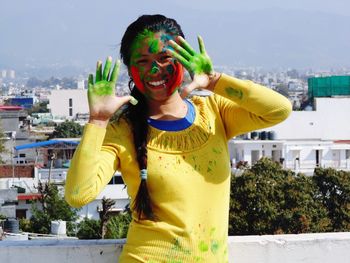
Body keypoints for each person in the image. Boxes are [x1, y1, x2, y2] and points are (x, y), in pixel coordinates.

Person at [65, 14, 292, 262]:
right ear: (131, 70)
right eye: (143, 61)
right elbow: (78, 194)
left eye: (164, 58)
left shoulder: (215, 112)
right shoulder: (122, 131)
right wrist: (97, 120)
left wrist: (214, 80)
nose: (155, 69)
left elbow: (278, 109)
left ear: (183, 59)